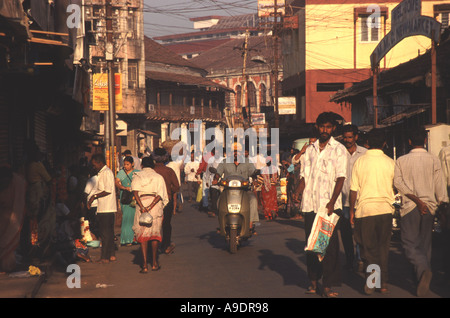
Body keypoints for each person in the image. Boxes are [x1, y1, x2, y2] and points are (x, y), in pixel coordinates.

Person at [293, 112, 347, 298]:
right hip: (310, 205)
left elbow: (341, 178)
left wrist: (332, 202)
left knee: (328, 248)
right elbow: (304, 176)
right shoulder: (310, 150)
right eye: (322, 126)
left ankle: (328, 286)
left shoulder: (339, 149)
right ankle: (313, 282)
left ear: (333, 129)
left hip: (328, 207)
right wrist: (297, 192)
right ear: (317, 127)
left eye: (328, 127)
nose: (325, 130)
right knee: (312, 245)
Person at [393, 127, 449, 297]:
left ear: (409, 142)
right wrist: (442, 204)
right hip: (430, 206)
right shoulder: (433, 160)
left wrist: (417, 201)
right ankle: (424, 275)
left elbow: (398, 184)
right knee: (425, 244)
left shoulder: (401, 161)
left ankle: (423, 270)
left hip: (410, 206)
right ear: (425, 141)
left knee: (409, 243)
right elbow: (440, 186)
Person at [349, 128, 395, 295]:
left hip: (365, 211)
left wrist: (352, 212)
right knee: (383, 248)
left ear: (367, 143)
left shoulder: (360, 162)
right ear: (384, 143)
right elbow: (395, 187)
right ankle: (383, 284)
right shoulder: (390, 162)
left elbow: (353, 189)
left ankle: (371, 279)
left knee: (368, 249)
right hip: (385, 210)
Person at [132, 156, 169, 273]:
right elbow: (160, 195)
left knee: (143, 235)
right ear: (153, 166)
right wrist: (150, 206)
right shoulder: (158, 177)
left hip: (141, 204)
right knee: (154, 235)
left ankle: (144, 265)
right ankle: (154, 263)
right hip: (155, 206)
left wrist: (143, 207)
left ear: (142, 166)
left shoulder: (137, 176)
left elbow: (135, 193)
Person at [215, 142, 260, 231]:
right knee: (219, 201)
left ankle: (250, 223)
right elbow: (218, 172)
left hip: (244, 190)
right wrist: (216, 178)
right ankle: (222, 223)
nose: (236, 153)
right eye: (233, 151)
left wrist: (255, 179)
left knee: (253, 200)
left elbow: (252, 172)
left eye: (238, 151)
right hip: (228, 191)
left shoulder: (247, 162)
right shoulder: (224, 162)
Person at [340, 124, 367, 271]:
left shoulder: (365, 153)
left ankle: (360, 259)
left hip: (360, 201)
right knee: (345, 234)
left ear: (356, 137)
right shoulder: (338, 153)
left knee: (360, 233)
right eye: (345, 137)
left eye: (350, 137)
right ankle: (350, 259)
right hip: (343, 201)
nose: (347, 140)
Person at [87, 154, 117, 263]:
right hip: (105, 207)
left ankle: (105, 257)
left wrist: (93, 197)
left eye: (94, 164)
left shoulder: (106, 173)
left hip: (106, 208)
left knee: (105, 233)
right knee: (109, 232)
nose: (93, 167)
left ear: (99, 162)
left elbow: (107, 190)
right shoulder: (103, 173)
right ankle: (111, 255)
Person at [152, 147, 180, 255]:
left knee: (154, 224)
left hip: (152, 201)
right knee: (166, 224)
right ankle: (166, 245)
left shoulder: (152, 171)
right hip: (167, 201)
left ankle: (153, 245)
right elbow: (176, 187)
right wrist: (168, 190)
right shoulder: (169, 171)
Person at [0, 165, 27, 273]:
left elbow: (18, 210)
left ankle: (8, 264)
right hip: (2, 216)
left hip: (14, 215)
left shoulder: (17, 184)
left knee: (9, 241)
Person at [115, 156, 139, 246]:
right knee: (126, 218)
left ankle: (135, 238)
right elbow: (116, 182)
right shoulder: (121, 172)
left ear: (132, 164)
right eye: (124, 164)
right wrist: (124, 187)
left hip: (134, 196)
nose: (126, 166)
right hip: (125, 196)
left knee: (134, 218)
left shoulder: (137, 173)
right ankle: (126, 239)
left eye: (128, 164)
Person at [83, 167, 99, 241]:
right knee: (97, 222)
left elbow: (85, 193)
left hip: (92, 204)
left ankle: (94, 238)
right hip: (99, 204)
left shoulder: (92, 180)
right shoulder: (101, 179)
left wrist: (85, 203)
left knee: (92, 223)